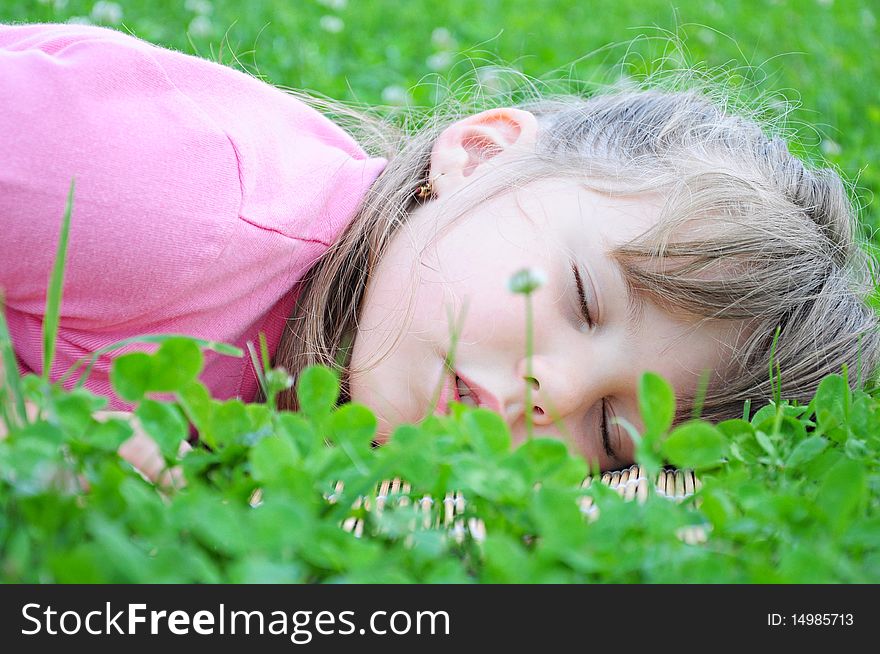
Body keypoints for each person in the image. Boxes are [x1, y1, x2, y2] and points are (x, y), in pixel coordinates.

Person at [1, 23, 877, 477]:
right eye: (579, 298)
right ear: (481, 153)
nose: (555, 393)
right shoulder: (174, 202)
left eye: (609, 432)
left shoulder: (348, 376)